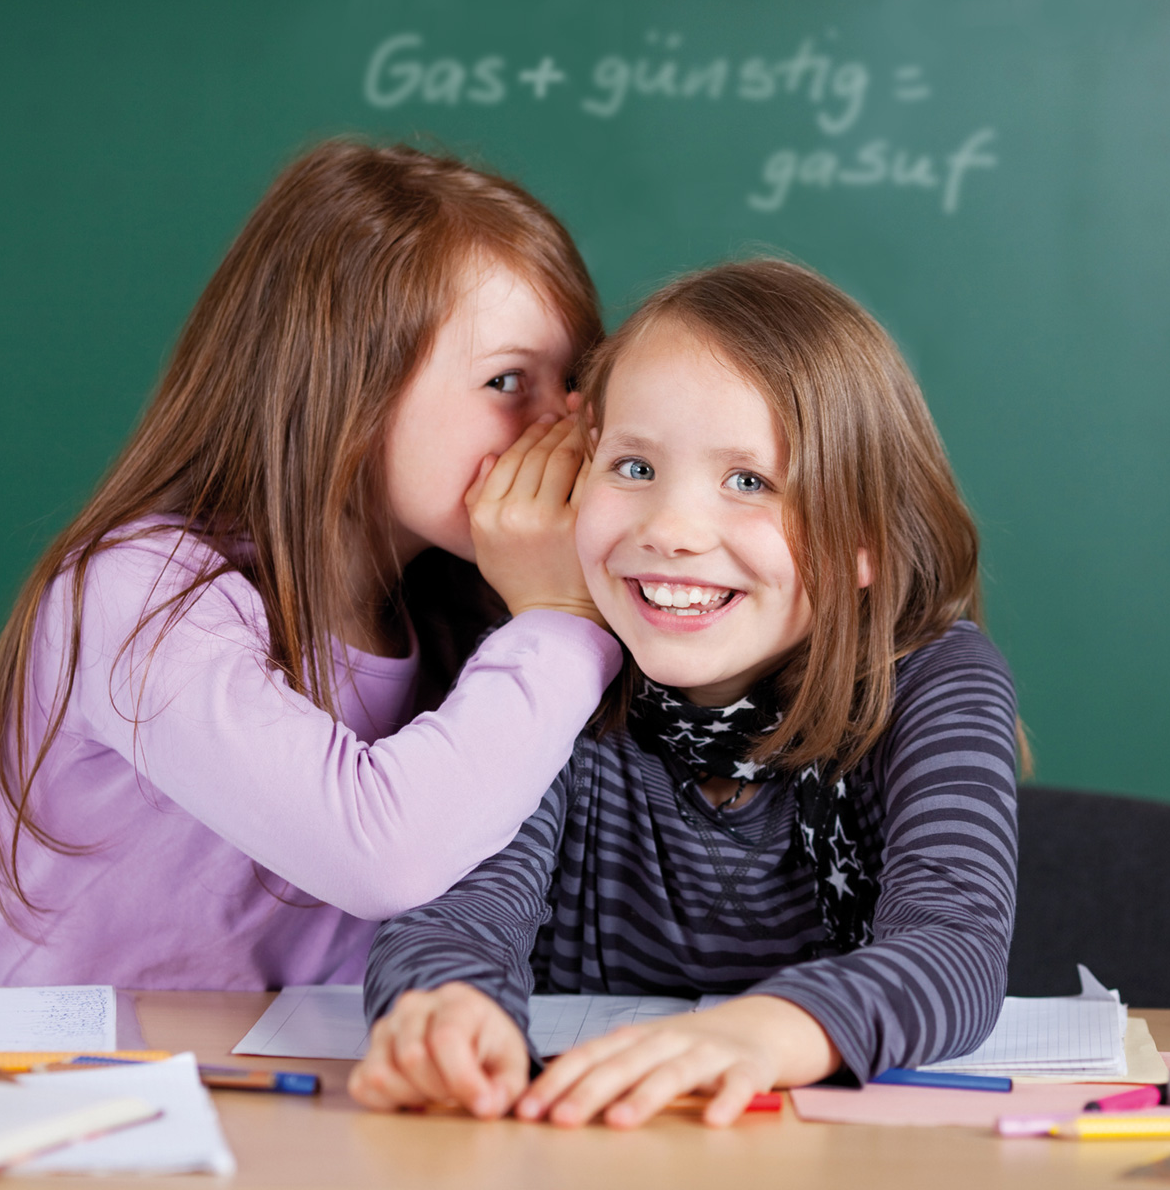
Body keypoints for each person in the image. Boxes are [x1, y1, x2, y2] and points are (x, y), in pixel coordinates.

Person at [0, 140, 623, 989]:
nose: (563, 428)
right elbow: (383, 857)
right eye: (507, 382)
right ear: (344, 387)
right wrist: (560, 622)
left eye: (573, 381)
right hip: (2, 1061)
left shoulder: (464, 616)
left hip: (258, 1063)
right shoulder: (141, 591)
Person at [351, 258, 1020, 1128]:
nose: (669, 530)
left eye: (750, 482)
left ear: (864, 540)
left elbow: (955, 948)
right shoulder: (547, 668)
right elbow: (457, 916)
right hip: (578, 1144)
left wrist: (758, 1036)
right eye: (633, 467)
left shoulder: (934, 680)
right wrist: (447, 1012)